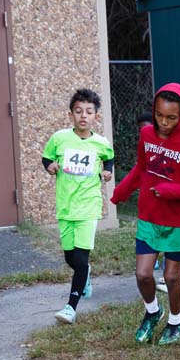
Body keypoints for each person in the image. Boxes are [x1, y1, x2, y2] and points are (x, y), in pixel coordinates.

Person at [111, 84, 180, 345]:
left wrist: (169, 190)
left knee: (171, 276)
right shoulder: (146, 135)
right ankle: (153, 312)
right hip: (149, 216)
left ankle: (176, 323)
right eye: (159, 115)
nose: (164, 122)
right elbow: (141, 169)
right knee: (143, 274)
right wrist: (120, 191)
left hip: (179, 222)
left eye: (171, 117)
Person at [42, 89, 115, 324]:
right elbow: (47, 157)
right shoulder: (60, 138)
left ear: (96, 117)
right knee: (70, 259)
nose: (84, 116)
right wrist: (50, 166)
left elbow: (109, 159)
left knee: (81, 260)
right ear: (71, 114)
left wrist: (107, 172)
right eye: (78, 111)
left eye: (89, 112)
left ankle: (70, 308)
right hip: (65, 206)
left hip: (89, 206)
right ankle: (86, 275)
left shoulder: (101, 143)